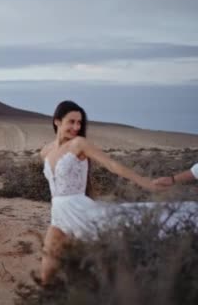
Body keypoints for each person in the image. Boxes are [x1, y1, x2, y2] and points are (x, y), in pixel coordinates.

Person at [38, 100, 170, 286]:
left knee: (102, 261)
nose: (76, 127)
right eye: (72, 121)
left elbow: (112, 165)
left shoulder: (79, 144)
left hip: (79, 211)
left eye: (79, 122)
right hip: (58, 215)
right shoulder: (45, 151)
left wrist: (146, 183)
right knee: (46, 273)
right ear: (57, 121)